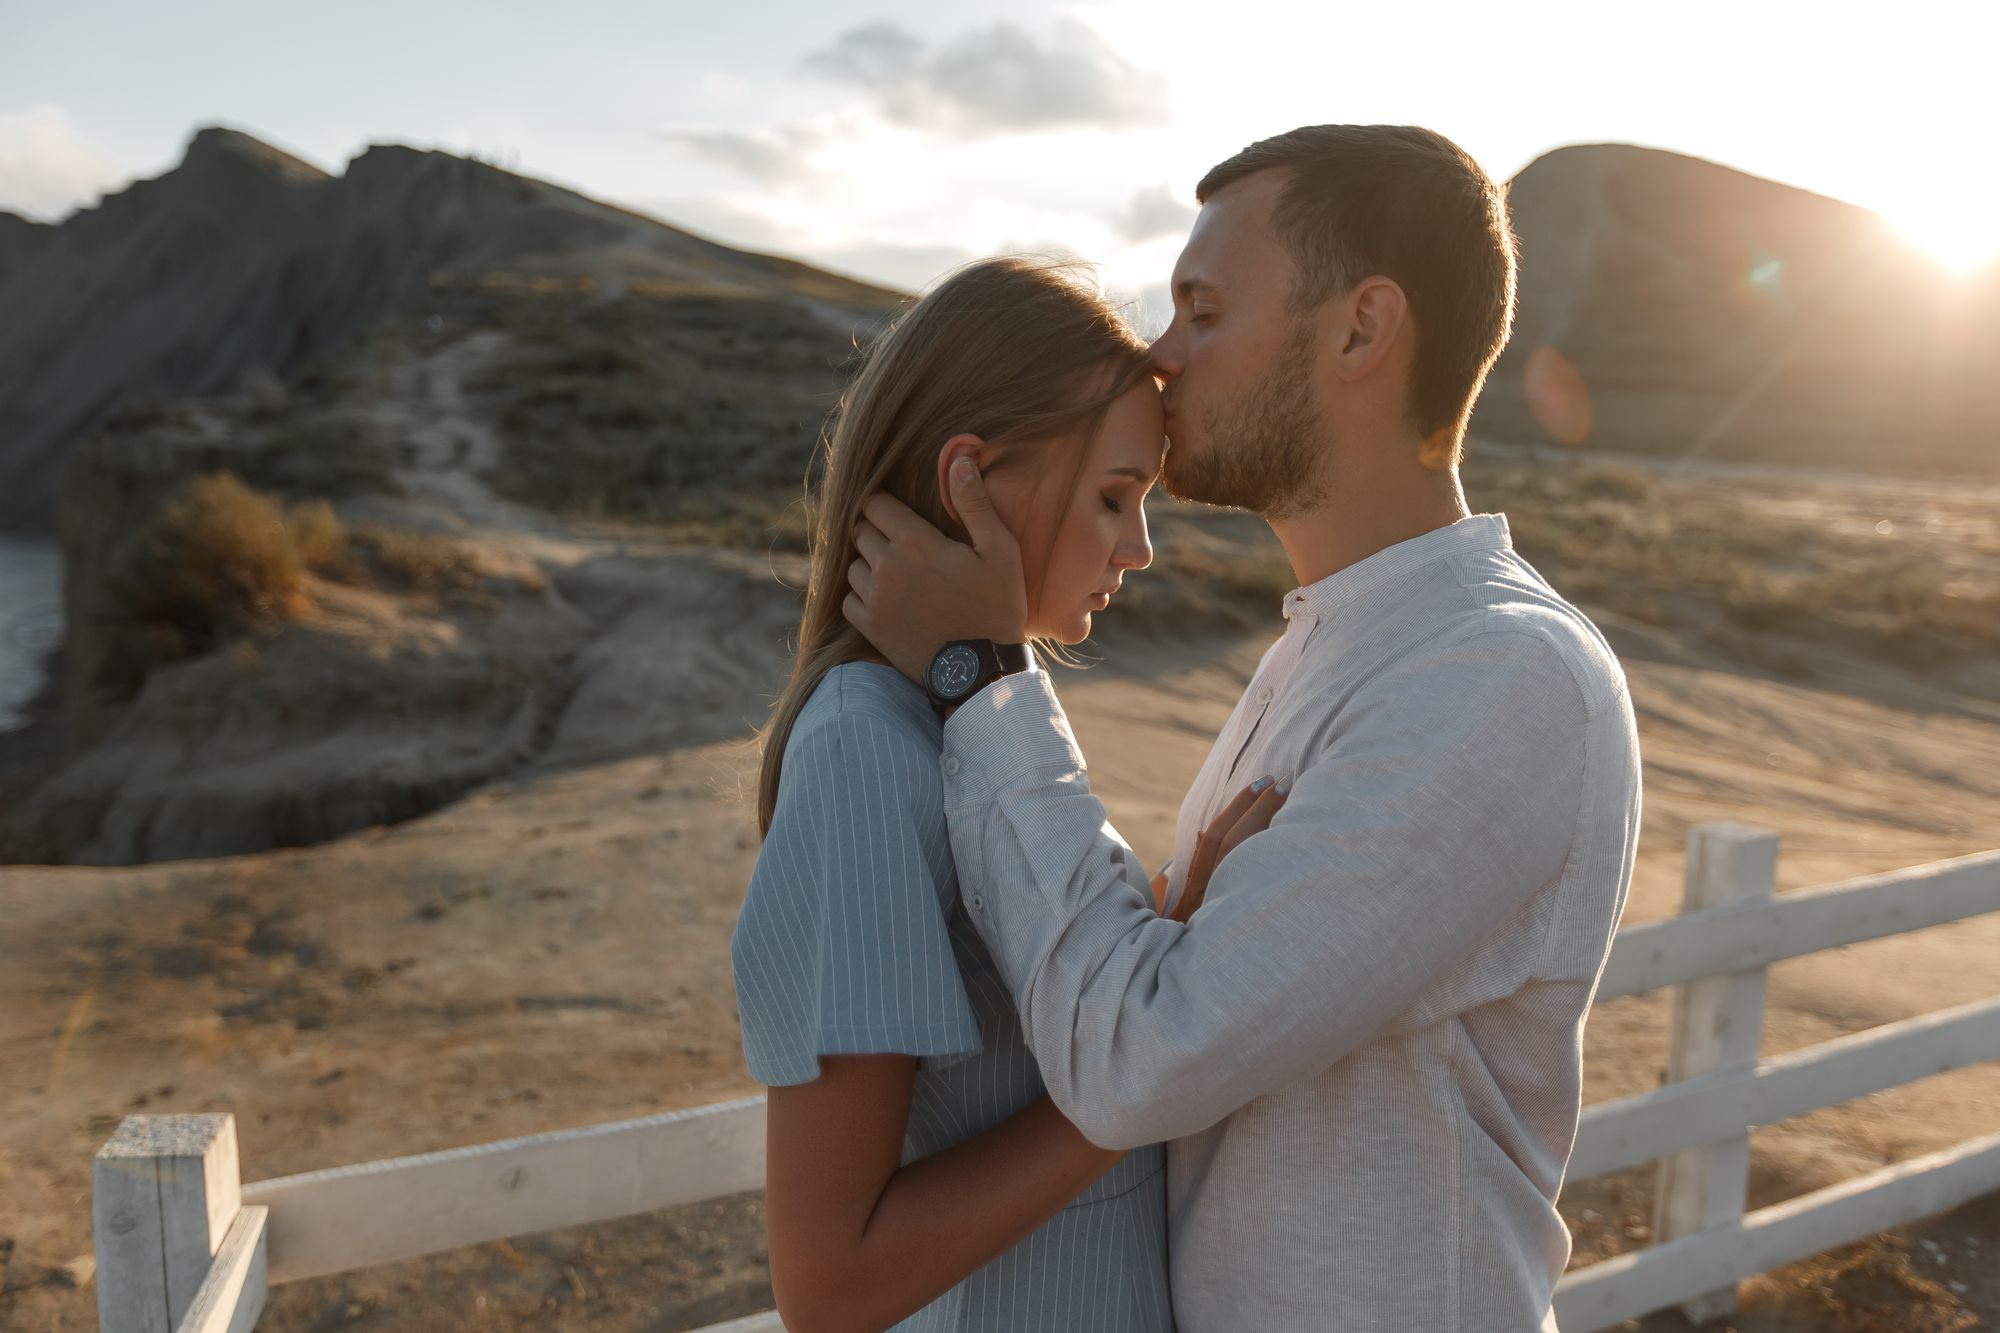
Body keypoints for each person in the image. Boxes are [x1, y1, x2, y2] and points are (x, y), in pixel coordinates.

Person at [843, 125, 1645, 1331]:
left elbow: (1139, 1057)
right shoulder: (1334, 644)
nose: (1159, 358)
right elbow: (1188, 1008)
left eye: (1202, 312)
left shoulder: (1497, 677)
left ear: (1360, 331)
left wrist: (982, 672)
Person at [731, 255, 1282, 1332]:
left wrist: (1170, 927)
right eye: (1114, 494)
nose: (1141, 546)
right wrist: (1145, 1073)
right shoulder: (863, 750)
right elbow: (827, 1283)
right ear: (969, 482)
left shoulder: (971, 710)